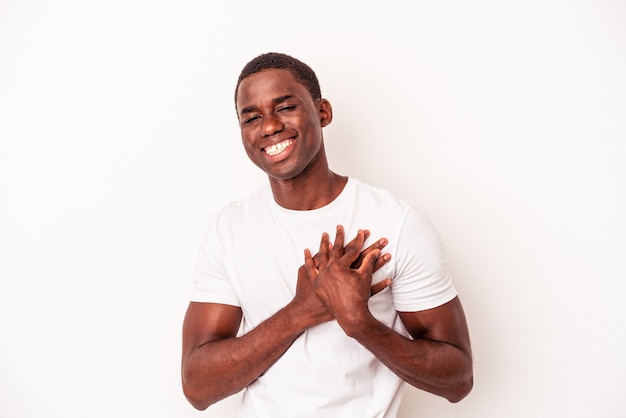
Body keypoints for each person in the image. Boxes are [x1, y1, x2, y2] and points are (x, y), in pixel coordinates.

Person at [181, 52, 473, 417]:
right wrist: (299, 313)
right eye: (252, 117)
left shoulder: (397, 222)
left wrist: (360, 323)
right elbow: (197, 386)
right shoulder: (228, 229)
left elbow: (458, 379)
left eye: (285, 107)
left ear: (323, 112)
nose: (269, 126)